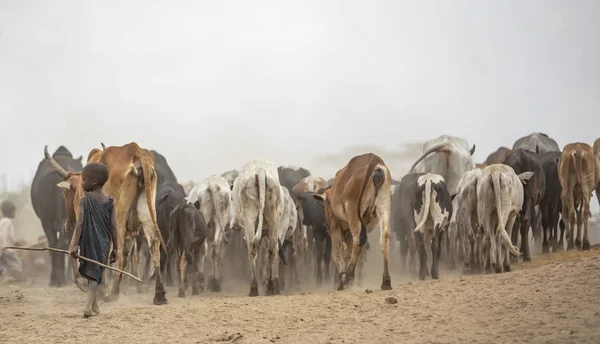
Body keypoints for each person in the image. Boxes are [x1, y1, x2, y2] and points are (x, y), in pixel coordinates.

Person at [69, 162, 118, 318]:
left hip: (88, 242)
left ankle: (88, 306)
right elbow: (114, 226)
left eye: (84, 180)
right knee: (95, 274)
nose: (81, 183)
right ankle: (93, 305)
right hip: (103, 243)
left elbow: (80, 224)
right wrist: (115, 247)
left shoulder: (84, 201)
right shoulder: (111, 202)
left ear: (94, 182)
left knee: (93, 275)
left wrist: (75, 244)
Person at [0, 200, 22, 282]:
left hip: (3, 248)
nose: (14, 213)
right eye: (13, 211)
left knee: (2, 264)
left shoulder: (3, 221)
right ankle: (16, 278)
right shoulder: (7, 222)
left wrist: (15, 242)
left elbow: (7, 236)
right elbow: (3, 235)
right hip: (6, 248)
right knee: (16, 263)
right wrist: (6, 248)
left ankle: (4, 278)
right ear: (9, 211)